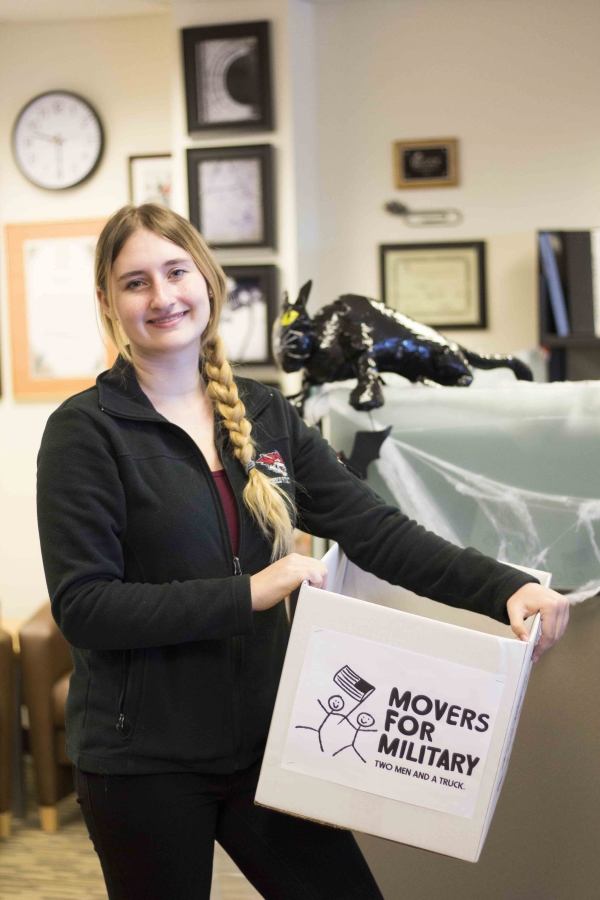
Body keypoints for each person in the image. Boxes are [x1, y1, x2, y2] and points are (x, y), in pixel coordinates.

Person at [36, 204, 569, 900]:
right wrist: (251, 592)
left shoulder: (264, 414)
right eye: (135, 283)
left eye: (175, 271)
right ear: (107, 301)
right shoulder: (85, 433)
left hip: (273, 745)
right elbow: (86, 607)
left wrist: (505, 586)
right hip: (143, 764)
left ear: (207, 278)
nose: (163, 297)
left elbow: (376, 529)